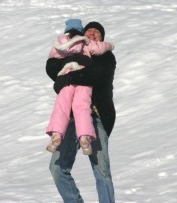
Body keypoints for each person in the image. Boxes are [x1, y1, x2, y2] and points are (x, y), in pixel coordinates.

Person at [46, 21, 116, 203]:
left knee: (101, 170)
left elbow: (96, 75)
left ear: (101, 38)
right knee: (57, 168)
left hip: (96, 116)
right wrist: (60, 75)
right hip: (71, 119)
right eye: (89, 31)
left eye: (97, 32)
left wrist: (68, 76)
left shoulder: (106, 56)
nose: (92, 33)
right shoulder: (74, 51)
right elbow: (53, 68)